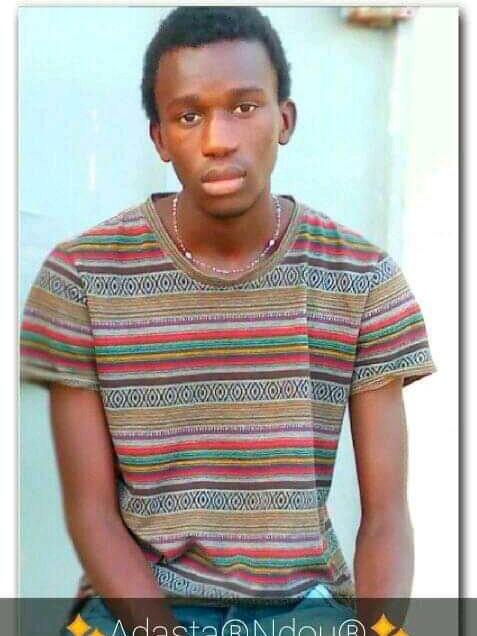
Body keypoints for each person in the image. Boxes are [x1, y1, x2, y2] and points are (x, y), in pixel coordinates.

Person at [20, 6, 436, 635]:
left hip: (303, 607)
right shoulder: (81, 277)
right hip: (140, 606)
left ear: (284, 119)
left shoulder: (363, 278)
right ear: (160, 137)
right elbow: (91, 513)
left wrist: (380, 632)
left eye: (244, 107)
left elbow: (386, 517)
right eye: (189, 116)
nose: (218, 139)